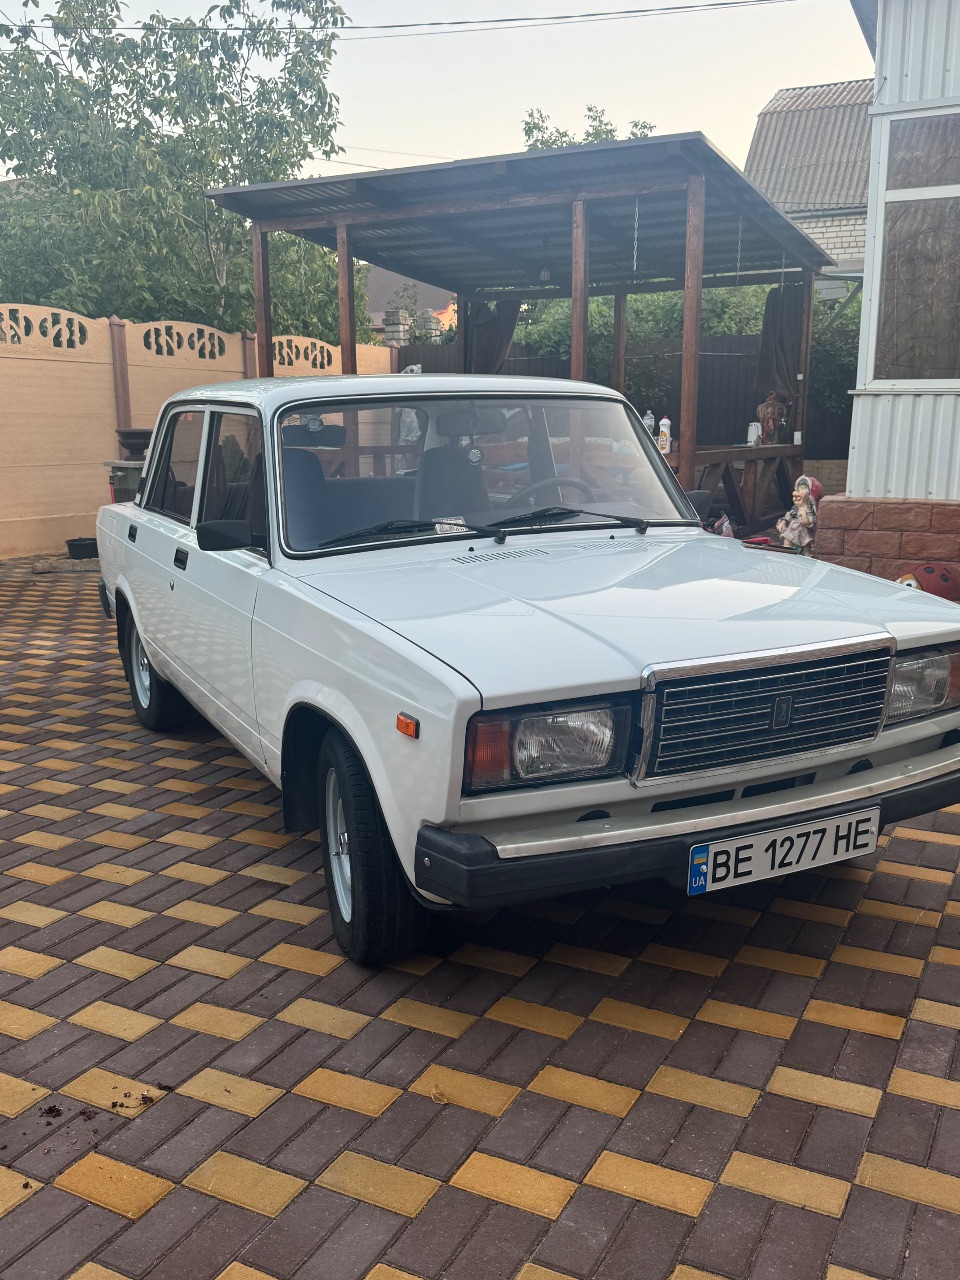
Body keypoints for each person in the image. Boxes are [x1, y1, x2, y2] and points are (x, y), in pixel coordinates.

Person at [777, 474, 821, 553]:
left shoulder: (808, 510)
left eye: (804, 488)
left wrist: (803, 511)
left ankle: (805, 560)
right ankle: (786, 556)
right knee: (787, 542)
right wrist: (784, 522)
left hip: (803, 532)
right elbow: (790, 515)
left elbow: (807, 523)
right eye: (799, 488)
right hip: (792, 529)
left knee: (805, 548)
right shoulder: (795, 508)